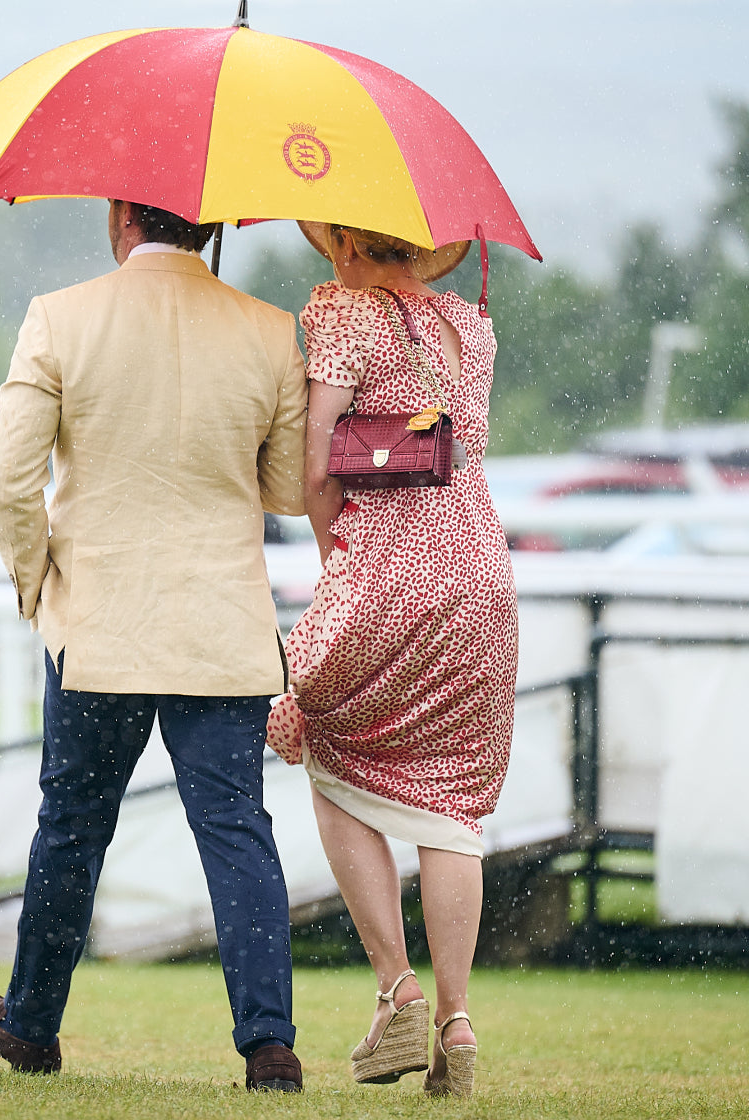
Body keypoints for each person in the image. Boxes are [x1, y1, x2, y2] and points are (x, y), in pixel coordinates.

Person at [0, 200, 308, 1093]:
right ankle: (269, 1043)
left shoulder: (60, 316)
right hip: (220, 629)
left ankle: (32, 1025)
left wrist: (37, 583)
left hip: (99, 626)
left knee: (72, 829)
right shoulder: (269, 331)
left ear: (121, 216)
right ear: (212, 226)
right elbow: (285, 488)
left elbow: (8, 480)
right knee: (237, 832)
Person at [267, 222, 518, 1098]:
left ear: (341, 240)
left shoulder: (341, 313)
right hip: (482, 577)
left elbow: (313, 468)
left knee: (326, 740)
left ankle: (395, 989)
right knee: (453, 809)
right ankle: (456, 1018)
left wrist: (345, 549)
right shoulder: (469, 324)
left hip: (388, 566)